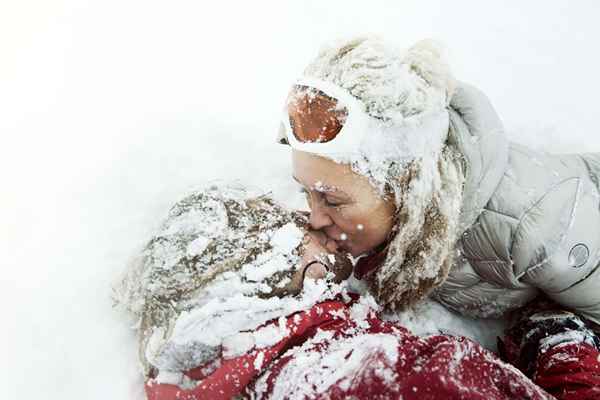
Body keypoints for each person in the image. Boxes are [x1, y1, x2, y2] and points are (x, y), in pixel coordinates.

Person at [277, 36, 600, 398]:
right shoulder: (371, 201)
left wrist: (555, 336)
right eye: (306, 191)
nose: (315, 217)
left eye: (332, 201)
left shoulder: (534, 227)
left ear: (406, 189)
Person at [114, 184, 553, 400]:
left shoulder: (260, 371)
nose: (310, 219)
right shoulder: (341, 374)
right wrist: (562, 348)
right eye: (282, 221)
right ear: (258, 269)